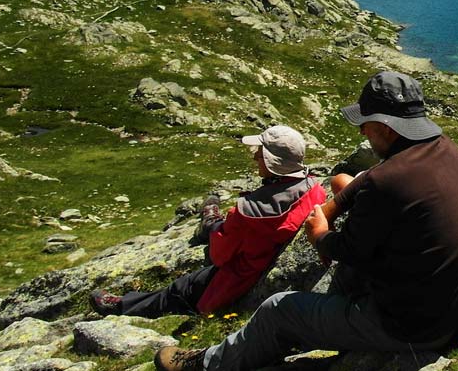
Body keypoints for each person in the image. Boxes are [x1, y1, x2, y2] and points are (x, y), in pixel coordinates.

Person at [154, 71, 458, 371]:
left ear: (386, 128)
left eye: (366, 123)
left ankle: (204, 363)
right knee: (343, 280)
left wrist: (319, 235)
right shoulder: (442, 148)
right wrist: (333, 207)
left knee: (278, 308)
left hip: (415, 328)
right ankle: (299, 332)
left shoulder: (388, 182)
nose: (361, 129)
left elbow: (349, 249)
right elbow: (370, 178)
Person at [90, 125, 326, 319]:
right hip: (258, 259)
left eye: (261, 153)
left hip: (235, 279)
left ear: (273, 162)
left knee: (181, 288)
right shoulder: (314, 189)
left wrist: (224, 226)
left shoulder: (248, 213)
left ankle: (121, 307)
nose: (255, 156)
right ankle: (211, 220)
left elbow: (219, 255)